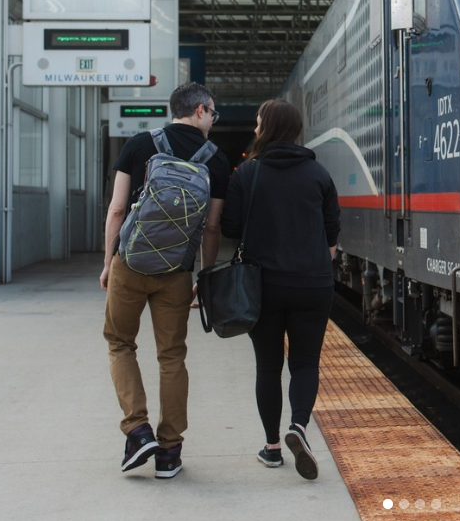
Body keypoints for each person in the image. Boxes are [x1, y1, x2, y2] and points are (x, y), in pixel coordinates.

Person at [101, 82, 231, 479]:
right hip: (176, 271)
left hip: (131, 263)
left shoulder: (140, 144)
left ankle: (138, 431)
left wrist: (109, 262)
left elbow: (118, 209)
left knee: (121, 343)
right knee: (171, 356)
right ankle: (170, 452)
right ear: (201, 110)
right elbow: (212, 229)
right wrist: (204, 276)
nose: (213, 119)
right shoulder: (217, 161)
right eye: (213, 113)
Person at [221, 98, 341, 480]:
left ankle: (272, 448)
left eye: (258, 123)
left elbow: (230, 230)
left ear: (267, 128)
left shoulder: (247, 173)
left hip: (264, 286)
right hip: (313, 284)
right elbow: (332, 237)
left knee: (268, 366)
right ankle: (299, 427)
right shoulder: (319, 174)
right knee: (305, 363)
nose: (254, 129)